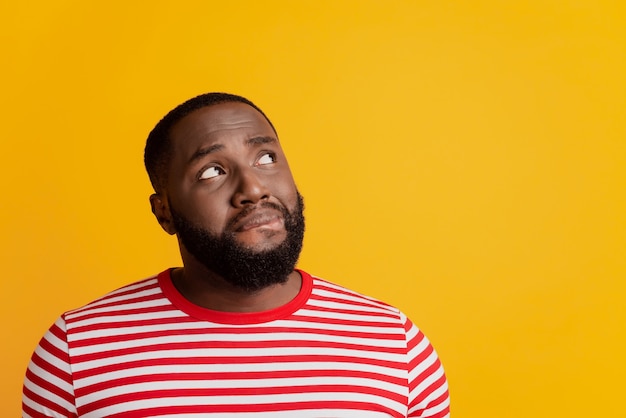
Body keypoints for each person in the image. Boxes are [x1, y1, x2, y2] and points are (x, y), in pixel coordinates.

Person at [22, 92, 450, 417]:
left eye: (266, 157)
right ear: (164, 211)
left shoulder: (394, 345)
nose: (253, 188)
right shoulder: (75, 353)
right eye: (212, 171)